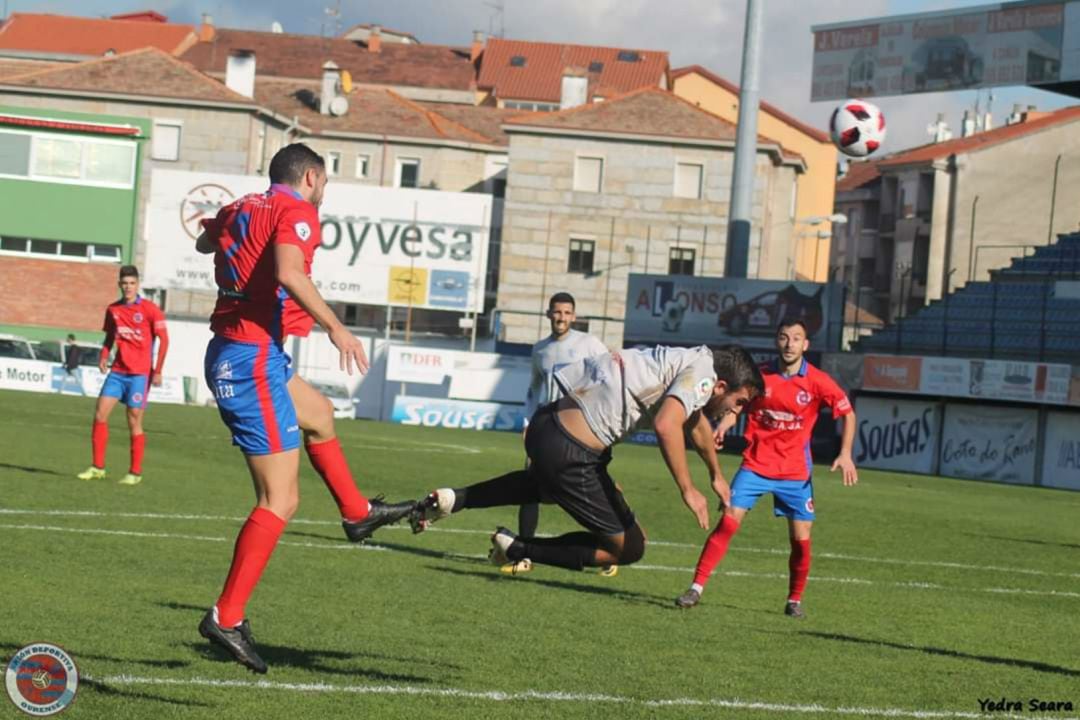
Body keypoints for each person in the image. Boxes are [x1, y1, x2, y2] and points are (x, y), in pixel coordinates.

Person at [194, 143, 414, 673]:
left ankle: (357, 513)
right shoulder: (297, 211)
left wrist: (235, 254)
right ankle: (226, 616)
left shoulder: (243, 205)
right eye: (326, 183)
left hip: (250, 350)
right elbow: (291, 273)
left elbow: (206, 241)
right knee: (280, 499)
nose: (324, 193)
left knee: (318, 414)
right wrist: (337, 327)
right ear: (312, 177)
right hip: (248, 359)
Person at [408, 345, 764, 575]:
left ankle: (457, 499)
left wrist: (715, 475)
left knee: (545, 488)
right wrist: (688, 488)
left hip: (547, 426)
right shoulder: (703, 375)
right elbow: (667, 423)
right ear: (720, 386)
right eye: (740, 402)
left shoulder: (689, 359)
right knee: (630, 546)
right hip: (572, 452)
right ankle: (518, 548)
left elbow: (695, 423)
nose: (737, 410)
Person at [674, 318, 858, 618]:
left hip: (796, 472)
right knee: (729, 521)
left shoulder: (817, 381)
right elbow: (738, 405)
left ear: (805, 345)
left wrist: (846, 453)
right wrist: (724, 425)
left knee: (801, 540)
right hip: (756, 465)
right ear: (777, 340)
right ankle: (696, 588)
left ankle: (794, 600)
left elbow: (847, 412)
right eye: (784, 337)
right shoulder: (760, 377)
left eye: (796, 338)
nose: (789, 344)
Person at [509, 291, 609, 576]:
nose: (561, 317)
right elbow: (533, 389)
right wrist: (527, 423)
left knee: (591, 488)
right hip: (547, 426)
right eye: (557, 312)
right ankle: (523, 554)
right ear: (548, 314)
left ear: (574, 316)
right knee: (529, 486)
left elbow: (610, 371)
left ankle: (610, 549)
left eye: (566, 312)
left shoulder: (588, 344)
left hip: (579, 426)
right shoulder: (540, 349)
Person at [76, 266, 169, 486]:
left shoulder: (150, 310)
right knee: (100, 414)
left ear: (138, 285)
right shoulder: (113, 310)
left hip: (139, 374)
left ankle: (135, 472)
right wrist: (104, 355)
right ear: (120, 284)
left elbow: (164, 340)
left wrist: (158, 370)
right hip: (117, 372)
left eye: (132, 283)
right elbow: (110, 336)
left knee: (133, 419)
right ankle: (98, 467)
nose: (128, 287)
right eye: (124, 283)